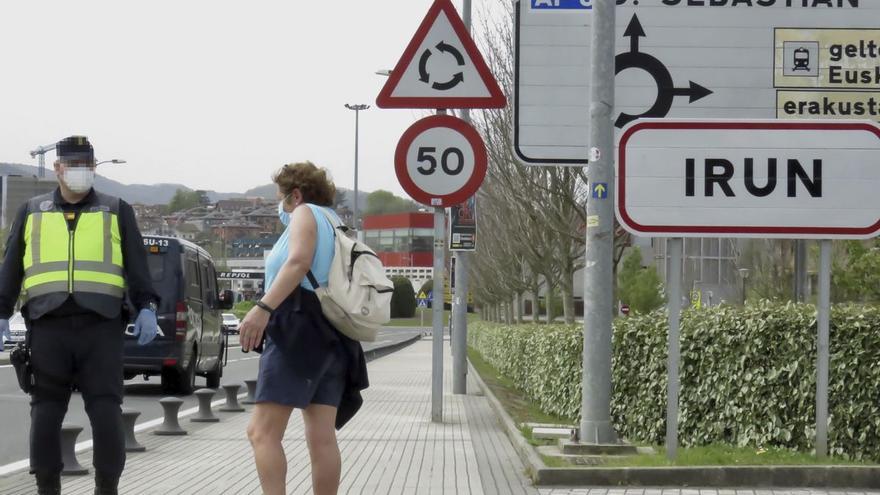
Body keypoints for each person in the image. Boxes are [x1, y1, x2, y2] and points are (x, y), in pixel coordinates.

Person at [0, 136, 160, 495]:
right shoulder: (31, 211)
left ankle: (107, 488)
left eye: (86, 166)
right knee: (44, 413)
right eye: (72, 166)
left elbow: (137, 269)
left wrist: (147, 307)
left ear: (93, 167)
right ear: (57, 169)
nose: (79, 173)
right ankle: (46, 487)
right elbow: (10, 268)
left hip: (101, 328)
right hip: (47, 327)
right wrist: (0, 311)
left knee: (106, 412)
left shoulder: (117, 210)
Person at [240, 161, 368, 495]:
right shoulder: (335, 221)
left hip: (296, 329)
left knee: (262, 432)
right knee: (322, 438)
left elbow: (299, 261)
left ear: (295, 195)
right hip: (335, 334)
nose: (279, 206)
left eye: (281, 198)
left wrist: (263, 307)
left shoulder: (305, 213)